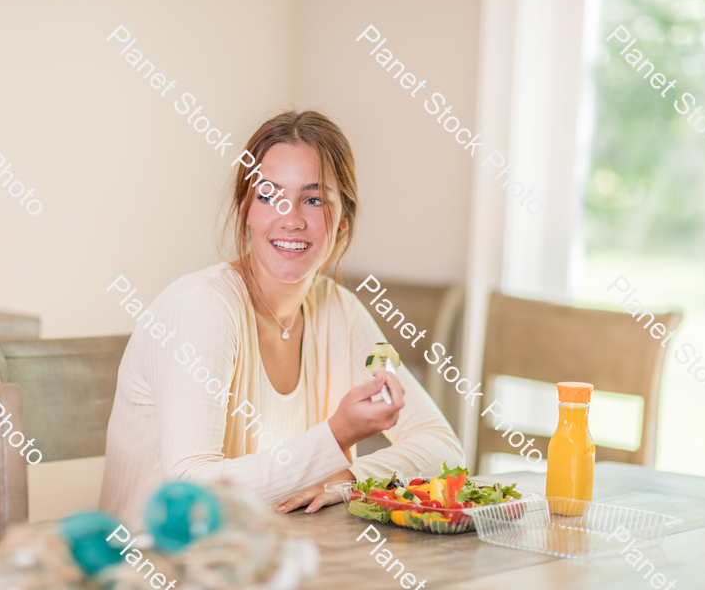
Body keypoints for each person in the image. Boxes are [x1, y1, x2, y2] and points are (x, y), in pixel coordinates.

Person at [99, 110, 464, 528]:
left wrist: (348, 479)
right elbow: (189, 496)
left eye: (313, 199)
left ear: (342, 220)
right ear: (245, 210)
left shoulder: (339, 311)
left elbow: (444, 449)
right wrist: (337, 435)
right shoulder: (201, 308)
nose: (291, 219)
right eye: (270, 195)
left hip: (266, 564)